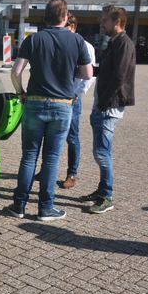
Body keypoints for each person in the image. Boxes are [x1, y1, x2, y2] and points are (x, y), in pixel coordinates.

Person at [7, 0, 93, 221]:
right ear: (65, 17)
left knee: (28, 157)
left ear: (46, 17)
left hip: (34, 102)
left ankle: (19, 206)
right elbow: (88, 74)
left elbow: (15, 72)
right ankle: (46, 209)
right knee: (52, 159)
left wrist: (21, 93)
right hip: (62, 105)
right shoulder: (77, 41)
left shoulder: (33, 40)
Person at [79, 5, 136, 214]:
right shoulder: (115, 43)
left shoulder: (124, 44)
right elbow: (107, 71)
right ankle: (102, 190)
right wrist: (85, 70)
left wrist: (103, 103)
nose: (102, 24)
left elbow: (119, 77)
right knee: (101, 151)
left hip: (109, 107)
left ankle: (107, 196)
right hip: (104, 105)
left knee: (102, 153)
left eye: (105, 21)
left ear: (117, 22)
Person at [35, 13, 96, 188]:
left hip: (72, 98)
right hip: (56, 97)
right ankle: (45, 170)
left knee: (72, 138)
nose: (64, 29)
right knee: (49, 134)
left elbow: (89, 77)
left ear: (74, 27)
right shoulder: (58, 42)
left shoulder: (85, 46)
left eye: (68, 26)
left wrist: (76, 95)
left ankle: (72, 173)